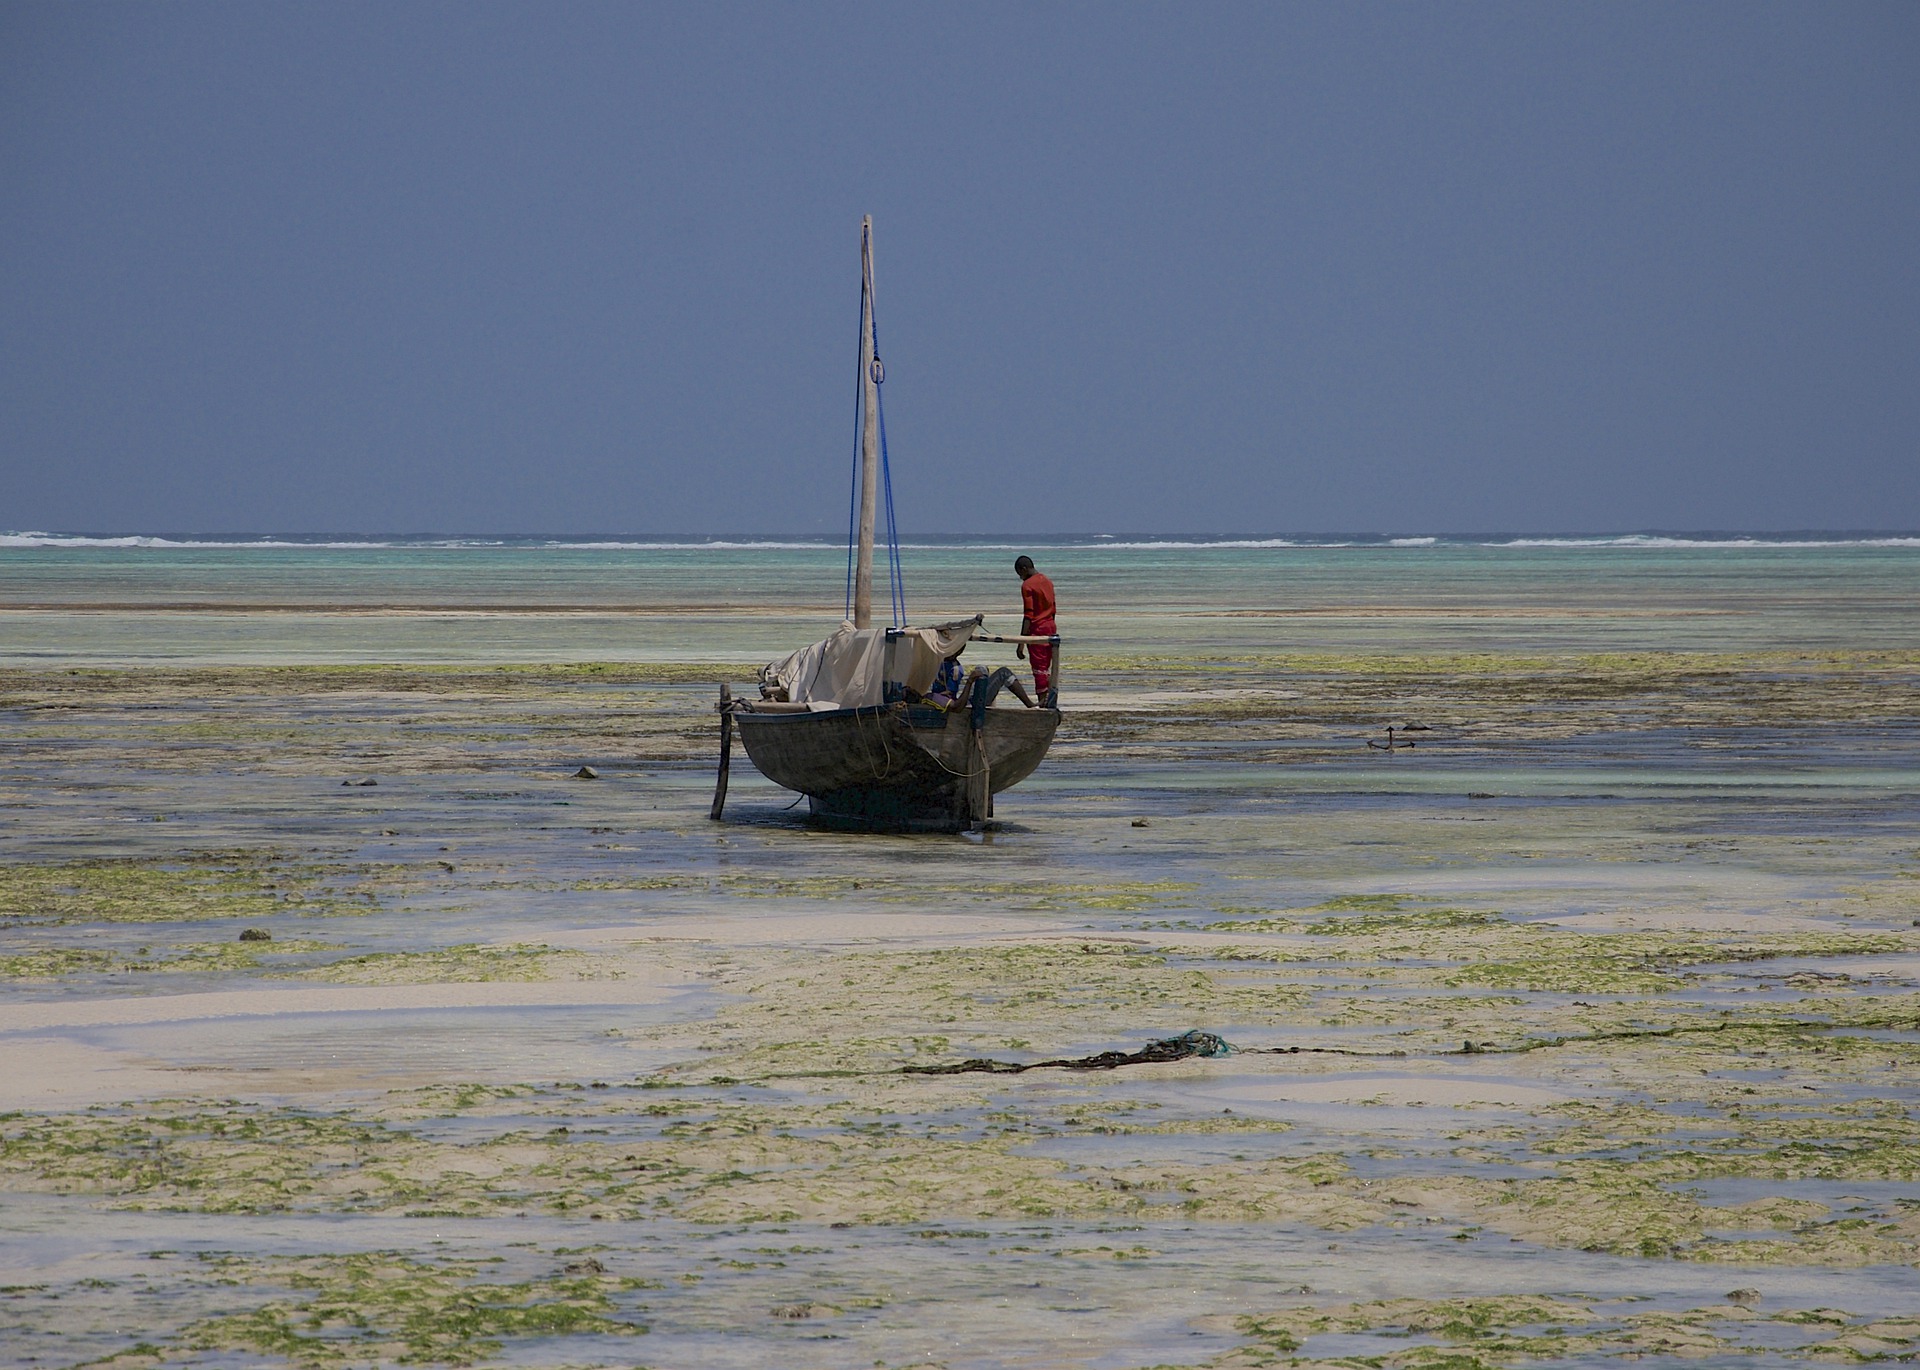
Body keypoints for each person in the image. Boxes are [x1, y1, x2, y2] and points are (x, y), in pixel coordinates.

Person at [1013, 555, 1056, 706]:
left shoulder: (1027, 586)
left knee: (1039, 668)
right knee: (1047, 667)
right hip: (1051, 626)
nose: (1020, 578)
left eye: (1020, 574)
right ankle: (1050, 700)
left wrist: (1021, 643)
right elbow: (1053, 608)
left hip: (1037, 629)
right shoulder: (1048, 581)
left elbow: (1028, 615)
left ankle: (1043, 702)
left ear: (1024, 569)